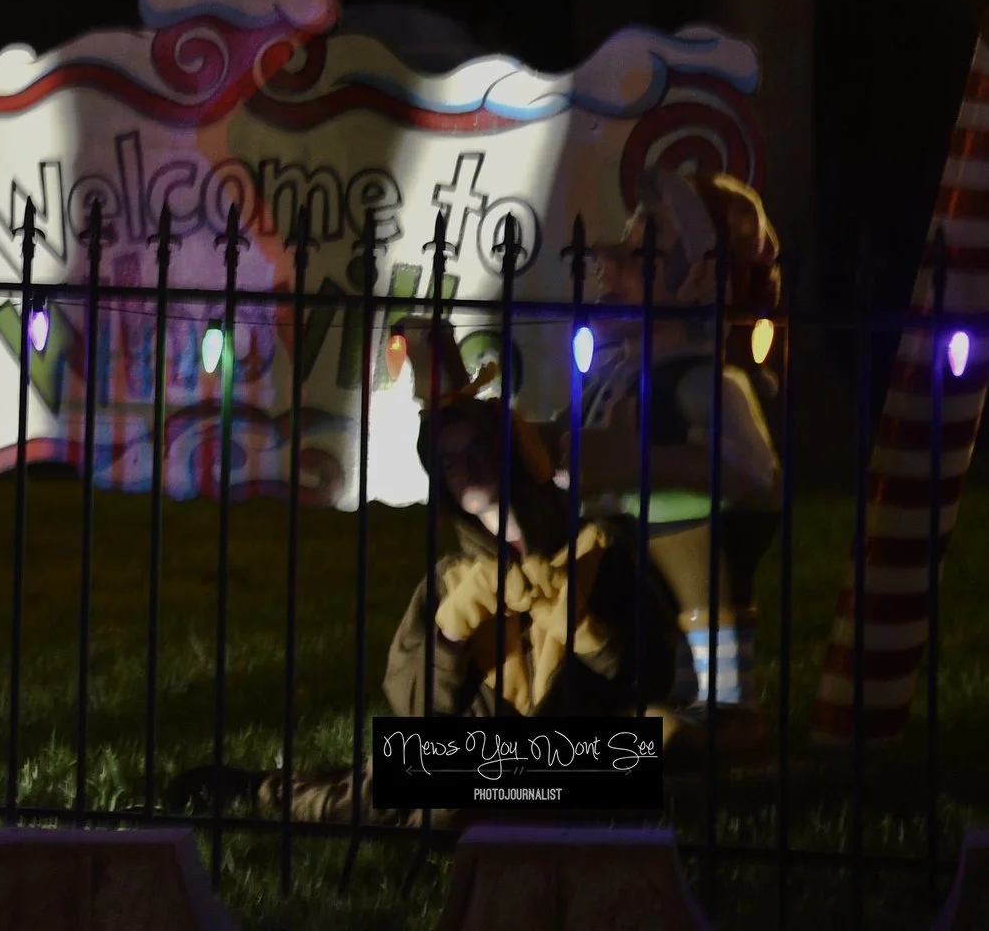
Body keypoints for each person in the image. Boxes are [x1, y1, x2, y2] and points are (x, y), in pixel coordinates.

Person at [172, 322, 683, 826]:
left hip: (586, 760)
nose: (466, 468)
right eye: (449, 460)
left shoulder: (599, 550)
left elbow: (656, 676)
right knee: (430, 780)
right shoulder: (451, 581)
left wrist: (588, 632)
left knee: (432, 789)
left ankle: (275, 792)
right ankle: (276, 791)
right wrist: (450, 633)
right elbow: (417, 716)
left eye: (478, 451)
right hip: (481, 761)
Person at [557, 166, 784, 762]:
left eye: (644, 253)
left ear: (701, 277)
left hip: (686, 562)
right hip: (619, 571)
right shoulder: (616, 377)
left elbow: (757, 482)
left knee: (699, 582)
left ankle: (725, 706)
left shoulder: (707, 384)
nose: (609, 264)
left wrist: (645, 464)